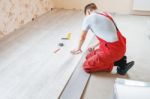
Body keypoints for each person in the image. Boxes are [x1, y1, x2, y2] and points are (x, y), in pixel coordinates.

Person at [71, 3, 134, 75]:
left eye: (86, 14)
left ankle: (121, 64)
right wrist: (94, 46)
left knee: (87, 66)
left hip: (113, 50)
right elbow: (106, 35)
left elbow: (82, 37)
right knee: (89, 56)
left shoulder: (89, 18)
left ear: (88, 11)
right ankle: (120, 59)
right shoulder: (106, 14)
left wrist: (78, 48)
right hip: (120, 46)